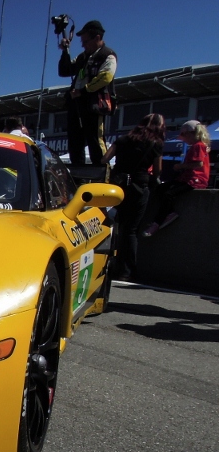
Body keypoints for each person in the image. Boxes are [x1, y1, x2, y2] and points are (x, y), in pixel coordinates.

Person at [101, 114, 165, 281]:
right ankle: (127, 270)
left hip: (118, 186)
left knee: (115, 224)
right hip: (139, 187)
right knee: (131, 230)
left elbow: (105, 159)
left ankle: (108, 265)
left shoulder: (123, 139)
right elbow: (158, 171)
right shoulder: (155, 144)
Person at [58, 20, 117, 165]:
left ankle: (102, 172)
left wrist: (83, 91)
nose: (83, 45)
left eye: (85, 41)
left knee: (95, 140)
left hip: (94, 104)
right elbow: (65, 70)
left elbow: (106, 77)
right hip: (76, 104)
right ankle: (77, 174)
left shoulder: (107, 55)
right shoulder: (82, 57)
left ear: (97, 38)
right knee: (74, 140)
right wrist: (65, 51)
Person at [142, 120, 211, 237]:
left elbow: (198, 164)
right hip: (187, 178)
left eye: (184, 136)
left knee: (168, 194)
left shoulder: (198, 146)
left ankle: (158, 221)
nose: (183, 139)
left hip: (195, 179)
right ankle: (168, 213)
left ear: (190, 134)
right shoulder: (199, 146)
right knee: (160, 189)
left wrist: (180, 166)